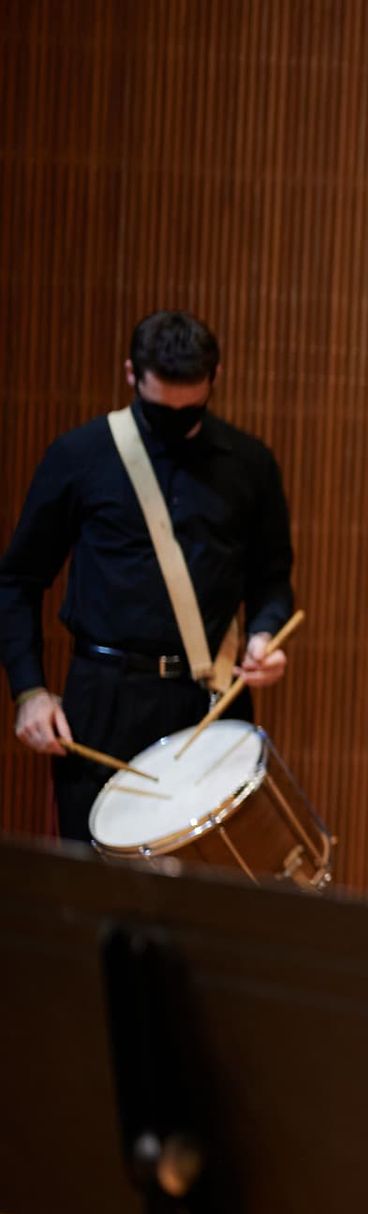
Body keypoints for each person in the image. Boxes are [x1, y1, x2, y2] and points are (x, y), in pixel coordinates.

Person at [1, 311, 295, 840]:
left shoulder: (250, 465)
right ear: (131, 376)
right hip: (103, 699)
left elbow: (272, 580)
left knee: (207, 894)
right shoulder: (80, 456)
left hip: (208, 702)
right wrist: (30, 691)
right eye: (160, 414)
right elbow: (17, 581)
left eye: (191, 412)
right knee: (97, 886)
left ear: (216, 378)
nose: (175, 430)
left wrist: (265, 635)